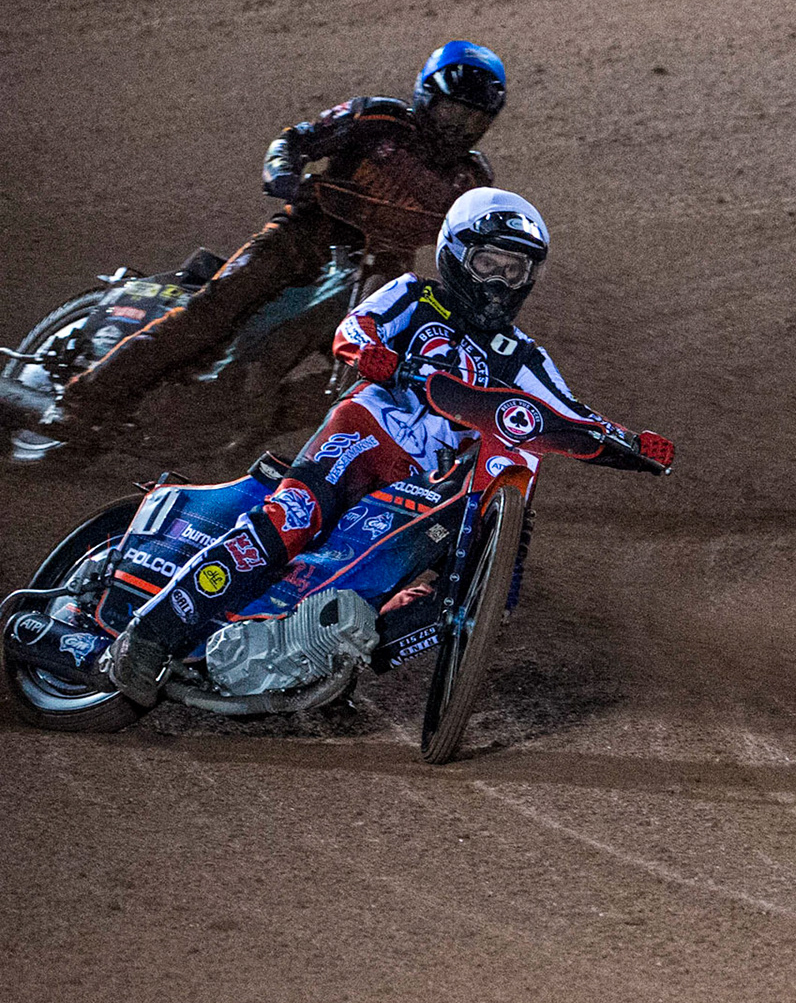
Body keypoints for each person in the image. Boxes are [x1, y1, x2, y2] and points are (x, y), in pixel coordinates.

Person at [102, 188, 675, 705]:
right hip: (368, 429)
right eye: (488, 263)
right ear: (455, 255)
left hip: (429, 479)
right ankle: (152, 633)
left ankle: (328, 653)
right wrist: (374, 354)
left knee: (471, 582)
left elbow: (569, 414)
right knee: (295, 516)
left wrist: (630, 442)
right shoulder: (417, 297)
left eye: (514, 269)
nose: (500, 281)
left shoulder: (524, 355)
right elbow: (355, 329)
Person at [46, 42, 509, 436]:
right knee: (211, 312)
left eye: (472, 120)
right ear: (427, 97)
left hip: (384, 274)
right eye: (452, 112)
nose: (458, 127)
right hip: (305, 237)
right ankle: (80, 398)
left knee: (387, 375)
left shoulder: (473, 178)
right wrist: (284, 175)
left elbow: (473, 239)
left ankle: (253, 426)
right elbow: (295, 140)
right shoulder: (377, 119)